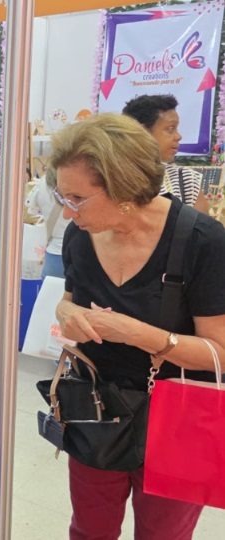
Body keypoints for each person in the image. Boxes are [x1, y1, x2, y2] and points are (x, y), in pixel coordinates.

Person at [51, 113, 225, 540]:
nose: (67, 211)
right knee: (89, 530)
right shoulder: (80, 237)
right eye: (62, 195)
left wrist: (136, 333)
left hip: (179, 418)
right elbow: (67, 304)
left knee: (163, 534)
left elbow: (218, 352)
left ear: (125, 191)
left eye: (77, 198)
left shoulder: (201, 241)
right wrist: (67, 316)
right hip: (96, 408)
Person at [122, 94, 210, 214]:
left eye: (176, 129)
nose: (178, 137)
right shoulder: (109, 180)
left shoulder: (185, 181)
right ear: (141, 132)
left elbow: (205, 231)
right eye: (170, 129)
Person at [26, 167, 70, 279]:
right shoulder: (81, 181)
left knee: (50, 294)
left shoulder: (41, 184)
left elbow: (30, 209)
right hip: (83, 253)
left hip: (54, 255)